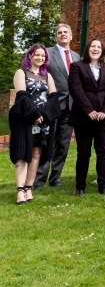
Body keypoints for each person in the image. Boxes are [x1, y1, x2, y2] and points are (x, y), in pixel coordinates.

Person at [10, 45, 60, 205]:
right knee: (22, 153)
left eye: (43, 56)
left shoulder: (47, 76)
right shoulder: (21, 73)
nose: (40, 58)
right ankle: (20, 191)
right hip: (25, 120)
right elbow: (22, 96)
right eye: (36, 55)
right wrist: (35, 114)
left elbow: (53, 98)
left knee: (36, 153)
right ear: (30, 56)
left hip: (43, 121)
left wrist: (43, 115)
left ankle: (28, 188)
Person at [34, 24, 80, 189]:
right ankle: (39, 180)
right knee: (47, 142)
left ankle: (55, 178)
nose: (63, 34)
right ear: (56, 37)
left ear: (71, 36)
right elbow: (39, 74)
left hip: (71, 106)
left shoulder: (76, 56)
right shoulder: (47, 53)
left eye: (66, 32)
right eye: (59, 32)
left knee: (63, 144)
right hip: (51, 105)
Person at [69, 38, 105, 196]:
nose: (95, 49)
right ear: (88, 49)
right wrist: (88, 110)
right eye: (93, 46)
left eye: (99, 47)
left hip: (103, 117)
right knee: (83, 152)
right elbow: (75, 89)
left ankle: (103, 185)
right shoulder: (77, 66)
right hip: (83, 116)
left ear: (102, 51)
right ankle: (80, 186)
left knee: (103, 152)